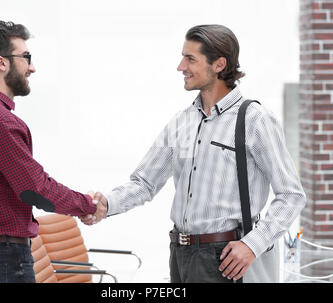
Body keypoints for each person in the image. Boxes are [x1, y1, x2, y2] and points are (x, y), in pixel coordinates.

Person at [81, 24, 306, 283]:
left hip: (226, 258)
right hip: (180, 254)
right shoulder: (182, 122)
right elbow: (144, 183)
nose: (181, 67)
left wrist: (253, 244)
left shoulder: (255, 120)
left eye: (190, 59)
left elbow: (291, 195)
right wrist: (105, 204)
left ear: (219, 64)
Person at [0, 21, 102, 283]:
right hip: (0, 257)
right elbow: (35, 188)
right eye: (26, 57)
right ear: (1, 63)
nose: (32, 67)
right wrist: (87, 204)